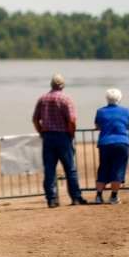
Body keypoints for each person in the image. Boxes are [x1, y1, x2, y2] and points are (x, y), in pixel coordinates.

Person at [32, 73, 88, 207]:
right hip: (63, 136)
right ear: (62, 85)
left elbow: (35, 119)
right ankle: (76, 197)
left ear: (51, 84)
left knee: (50, 169)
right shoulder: (66, 99)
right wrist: (71, 133)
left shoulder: (42, 99)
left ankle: (51, 199)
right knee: (70, 169)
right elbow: (72, 120)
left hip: (48, 137)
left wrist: (41, 132)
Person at [94, 88, 129, 204]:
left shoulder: (100, 111)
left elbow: (97, 125)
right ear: (119, 99)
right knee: (118, 168)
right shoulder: (126, 111)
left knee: (103, 167)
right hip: (122, 142)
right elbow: (128, 124)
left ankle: (99, 196)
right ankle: (114, 197)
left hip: (105, 143)